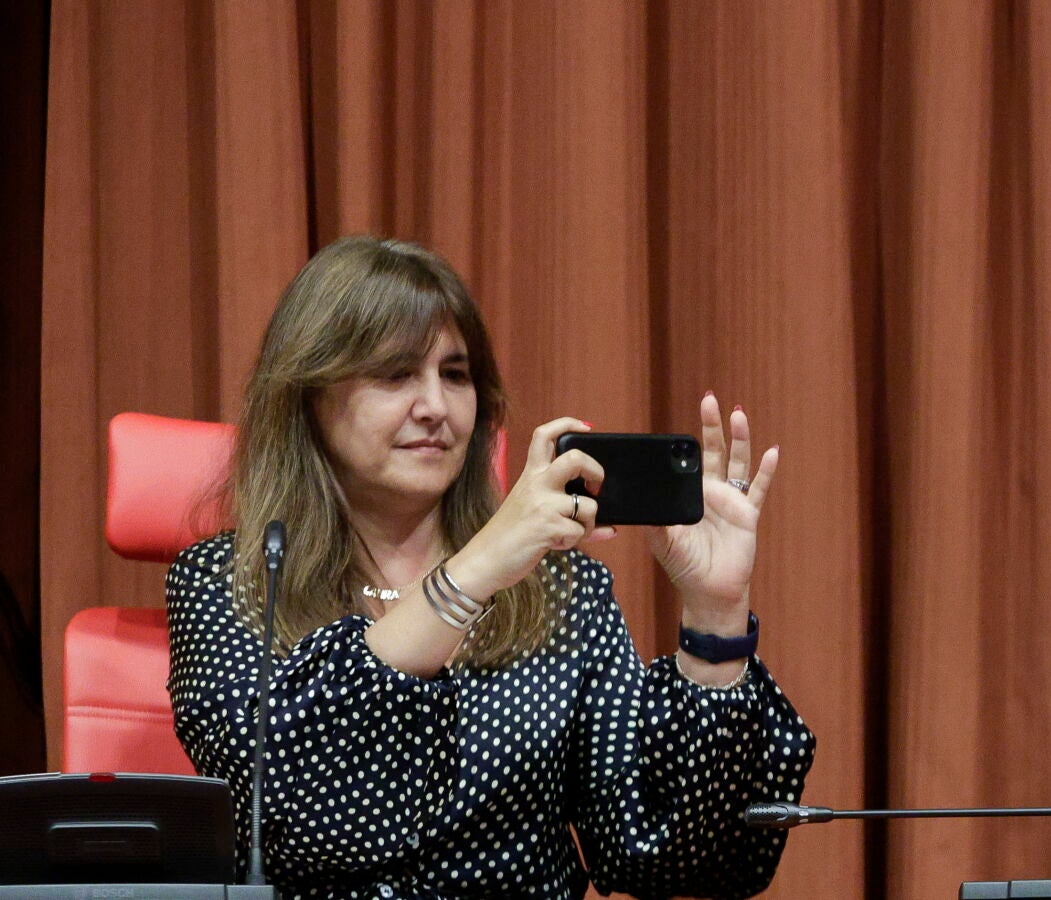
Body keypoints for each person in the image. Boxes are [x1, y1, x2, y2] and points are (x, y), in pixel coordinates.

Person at [164, 236, 815, 899]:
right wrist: (473, 573)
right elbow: (279, 803)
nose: (435, 407)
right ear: (309, 396)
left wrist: (715, 620)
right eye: (395, 374)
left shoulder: (562, 593)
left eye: (455, 374)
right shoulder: (231, 581)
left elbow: (669, 858)